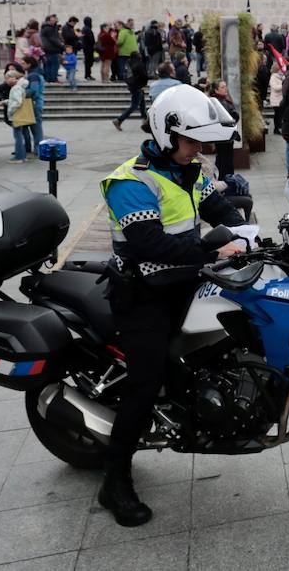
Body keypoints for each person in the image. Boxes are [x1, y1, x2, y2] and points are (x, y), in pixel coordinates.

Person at [98, 84, 247, 526]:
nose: (199, 149)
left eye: (203, 142)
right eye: (192, 141)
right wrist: (213, 251)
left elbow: (221, 209)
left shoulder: (191, 171)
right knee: (145, 383)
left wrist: (251, 237)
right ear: (167, 134)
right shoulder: (131, 180)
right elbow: (149, 243)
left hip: (185, 282)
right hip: (144, 294)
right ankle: (114, 482)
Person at [208, 79, 239, 178]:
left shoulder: (222, 100)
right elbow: (227, 118)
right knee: (225, 160)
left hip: (224, 135)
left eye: (225, 86)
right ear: (216, 90)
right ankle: (226, 180)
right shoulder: (218, 102)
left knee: (223, 159)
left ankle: (224, 178)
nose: (225, 89)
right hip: (224, 136)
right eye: (222, 87)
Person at [5, 69, 35, 163]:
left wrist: (10, 110)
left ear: (13, 78)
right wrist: (6, 102)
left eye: (7, 78)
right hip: (20, 114)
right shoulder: (20, 86)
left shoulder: (16, 88)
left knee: (17, 136)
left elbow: (18, 102)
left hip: (16, 114)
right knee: (19, 135)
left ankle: (20, 157)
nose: (6, 81)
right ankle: (22, 156)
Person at [40, 15, 64, 84]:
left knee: (48, 64)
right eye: (53, 19)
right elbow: (54, 39)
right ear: (48, 20)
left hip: (47, 49)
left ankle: (48, 79)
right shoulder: (49, 28)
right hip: (51, 49)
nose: (55, 20)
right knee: (54, 64)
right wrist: (62, 46)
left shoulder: (46, 27)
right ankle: (53, 78)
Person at [80, 17, 97, 81]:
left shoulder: (85, 28)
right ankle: (87, 75)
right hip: (88, 48)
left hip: (87, 47)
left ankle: (88, 74)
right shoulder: (87, 29)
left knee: (89, 62)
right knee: (88, 62)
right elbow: (90, 39)